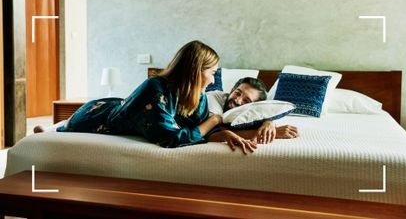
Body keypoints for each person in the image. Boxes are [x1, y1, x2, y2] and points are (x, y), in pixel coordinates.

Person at [36, 40, 256, 153]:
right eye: (212, 73)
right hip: (98, 115)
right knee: (69, 125)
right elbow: (170, 139)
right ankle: (56, 127)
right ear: (194, 71)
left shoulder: (199, 99)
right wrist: (215, 120)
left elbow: (203, 131)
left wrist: (233, 131)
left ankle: (54, 126)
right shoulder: (155, 87)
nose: (211, 80)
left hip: (125, 109)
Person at [207, 77, 298, 149]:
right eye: (237, 93)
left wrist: (269, 121)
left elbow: (262, 112)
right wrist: (273, 133)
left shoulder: (253, 110)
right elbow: (212, 133)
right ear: (231, 90)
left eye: (246, 100)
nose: (238, 101)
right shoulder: (213, 98)